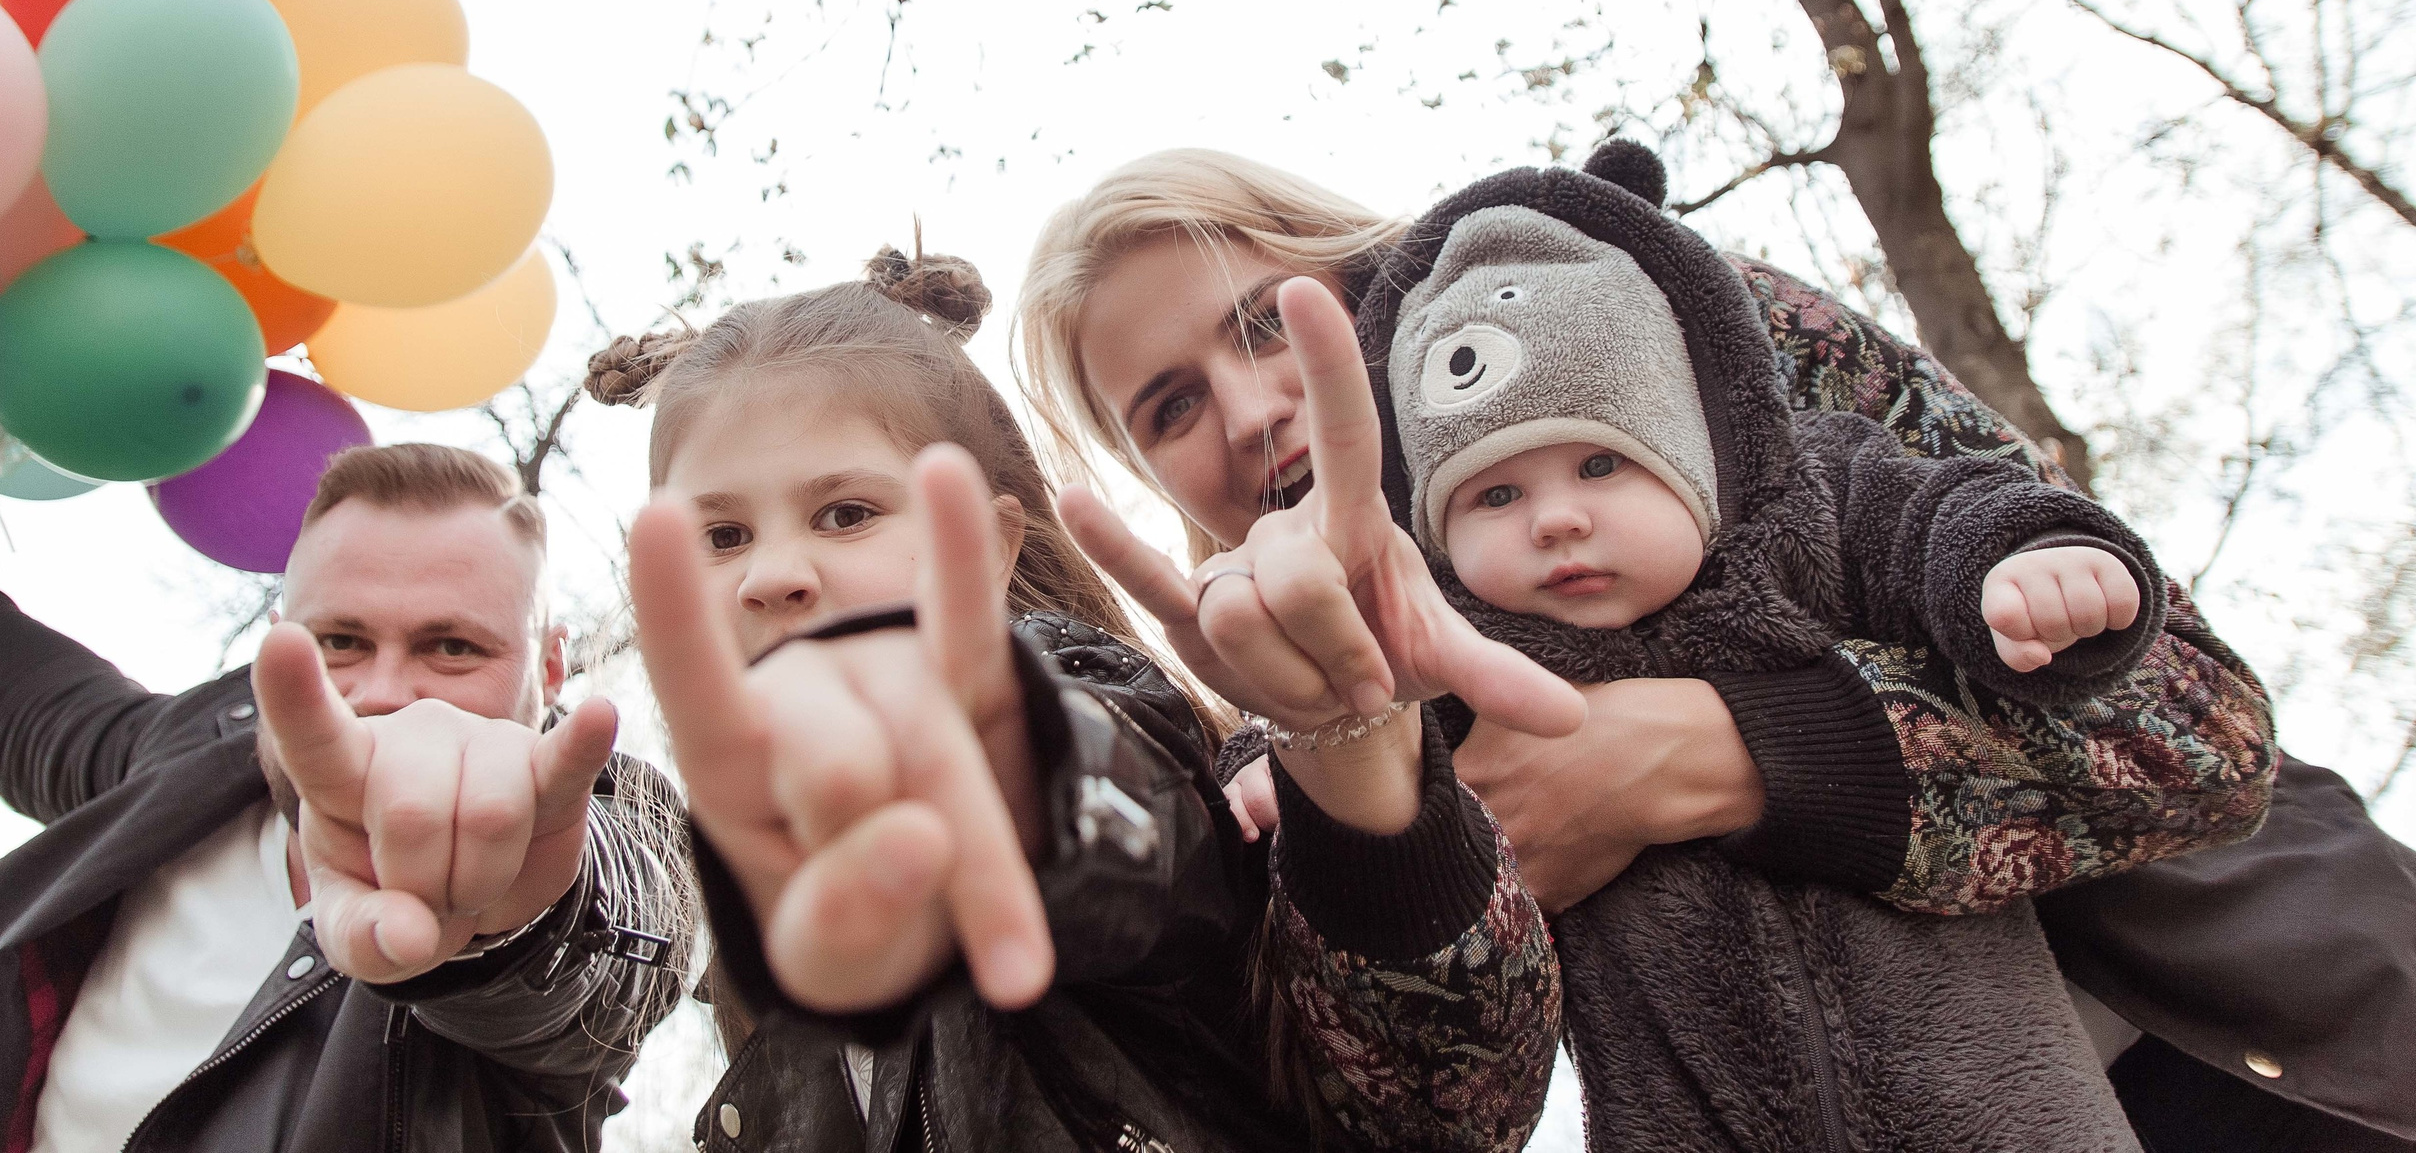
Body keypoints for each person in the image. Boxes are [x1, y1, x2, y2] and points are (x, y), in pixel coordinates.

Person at [1017, 145, 2416, 1150]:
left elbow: (2197, 724)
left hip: (2284, 1058)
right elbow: (1424, 1106)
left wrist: (1725, 752)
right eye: (1169, 406)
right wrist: (1371, 814)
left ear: (1357, 274)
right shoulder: (1308, 713)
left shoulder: (1665, 323)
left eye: (1267, 321)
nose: (1250, 407)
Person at [582, 248, 1570, 1153]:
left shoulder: (1086, 701)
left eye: (846, 513)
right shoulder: (754, 952)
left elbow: (1126, 802)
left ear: (991, 545)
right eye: (720, 537)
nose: (771, 575)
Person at [1368, 159, 2171, 1147]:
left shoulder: (1807, 509)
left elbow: (1940, 515)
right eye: (1496, 495)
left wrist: (2031, 561)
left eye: (1601, 463)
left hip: (1995, 1094)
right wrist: (1283, 767)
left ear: (1693, 454)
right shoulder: (1470, 651)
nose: (1556, 518)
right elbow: (1361, 716)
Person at [0, 444, 697, 1153]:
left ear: (548, 668)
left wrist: (516, 915)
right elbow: (34, 707)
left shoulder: (606, 823)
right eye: (341, 640)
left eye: (451, 647)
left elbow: (621, 941)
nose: (382, 690)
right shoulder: (195, 754)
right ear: (280, 642)